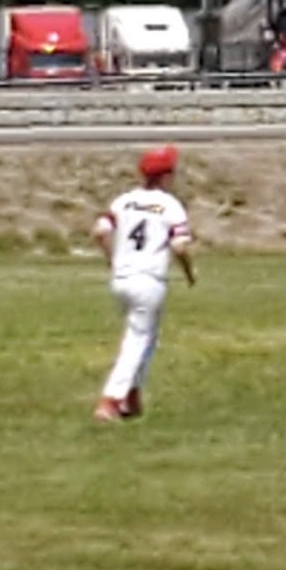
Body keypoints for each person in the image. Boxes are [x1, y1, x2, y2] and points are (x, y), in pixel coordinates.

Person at [91, 144, 196, 423]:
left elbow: (100, 231)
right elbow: (180, 246)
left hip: (122, 278)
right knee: (137, 340)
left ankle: (133, 396)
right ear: (166, 176)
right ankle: (110, 400)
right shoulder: (170, 205)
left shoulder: (123, 200)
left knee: (146, 337)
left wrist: (112, 260)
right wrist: (188, 273)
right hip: (149, 279)